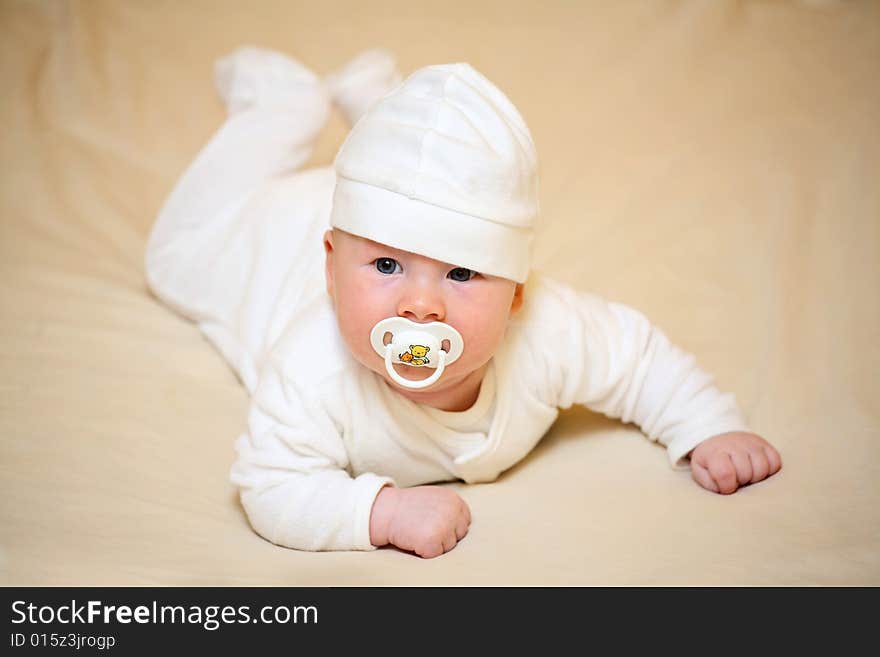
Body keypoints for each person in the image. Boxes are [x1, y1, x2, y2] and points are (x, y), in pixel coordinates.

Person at [145, 46, 782, 559]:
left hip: (367, 215)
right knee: (177, 256)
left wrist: (707, 426)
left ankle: (388, 108)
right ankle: (283, 104)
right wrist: (380, 512)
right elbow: (272, 485)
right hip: (267, 244)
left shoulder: (547, 330)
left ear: (517, 295)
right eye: (388, 268)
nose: (420, 305)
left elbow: (637, 360)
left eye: (462, 273)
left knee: (429, 186)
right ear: (332, 273)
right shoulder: (312, 367)